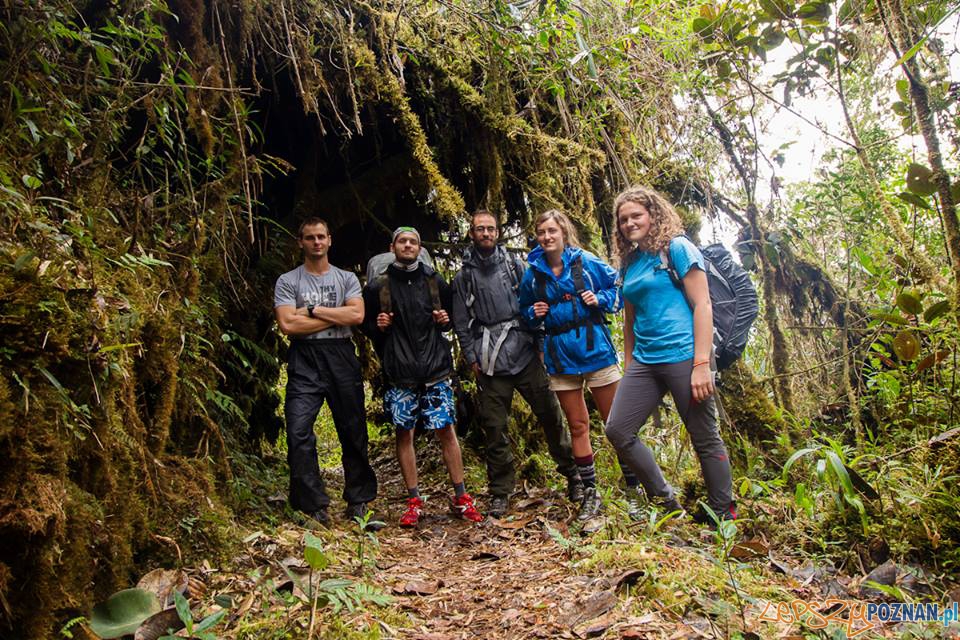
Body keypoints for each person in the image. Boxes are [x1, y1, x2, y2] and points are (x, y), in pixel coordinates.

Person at [603, 186, 736, 524]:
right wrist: (630, 363)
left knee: (705, 438)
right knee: (618, 430)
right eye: (624, 219)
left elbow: (703, 304)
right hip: (645, 361)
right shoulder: (630, 263)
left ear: (653, 214)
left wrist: (702, 364)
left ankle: (723, 516)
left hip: (684, 354)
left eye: (636, 215)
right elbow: (630, 318)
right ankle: (667, 504)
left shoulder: (677, 248)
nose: (630, 223)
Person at [451, 210, 581, 518]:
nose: (485, 233)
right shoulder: (464, 276)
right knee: (494, 428)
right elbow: (460, 321)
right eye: (480, 229)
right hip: (489, 361)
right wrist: (471, 357)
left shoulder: (515, 266)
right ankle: (500, 492)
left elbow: (535, 307)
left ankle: (574, 476)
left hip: (524, 352)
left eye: (490, 229)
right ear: (472, 233)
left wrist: (539, 345)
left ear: (497, 232)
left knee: (551, 415)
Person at [362, 226, 483, 527]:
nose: (408, 245)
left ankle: (461, 497)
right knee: (405, 435)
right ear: (393, 247)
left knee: (447, 431)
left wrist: (445, 321)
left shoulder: (433, 280)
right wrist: (378, 324)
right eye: (402, 241)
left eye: (413, 241)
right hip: (400, 372)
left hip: (435, 369)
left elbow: (450, 320)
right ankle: (413, 501)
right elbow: (364, 325)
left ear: (419, 247)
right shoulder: (379, 286)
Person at [517, 209, 630, 521]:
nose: (547, 237)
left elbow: (618, 287)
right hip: (559, 355)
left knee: (616, 424)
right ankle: (590, 492)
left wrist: (600, 299)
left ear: (563, 233)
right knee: (578, 425)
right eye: (542, 232)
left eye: (552, 231)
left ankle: (634, 488)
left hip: (595, 349)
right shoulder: (533, 273)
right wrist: (534, 313)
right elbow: (523, 310)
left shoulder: (585, 261)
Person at [274, 217, 379, 527]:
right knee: (298, 428)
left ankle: (359, 500)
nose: (316, 242)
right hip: (304, 358)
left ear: (330, 240)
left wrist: (312, 311)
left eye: (321, 237)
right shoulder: (288, 281)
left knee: (353, 428)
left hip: (341, 355)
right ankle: (312, 504)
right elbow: (288, 324)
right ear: (301, 242)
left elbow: (357, 315)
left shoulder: (345, 279)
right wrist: (337, 316)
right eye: (310, 238)